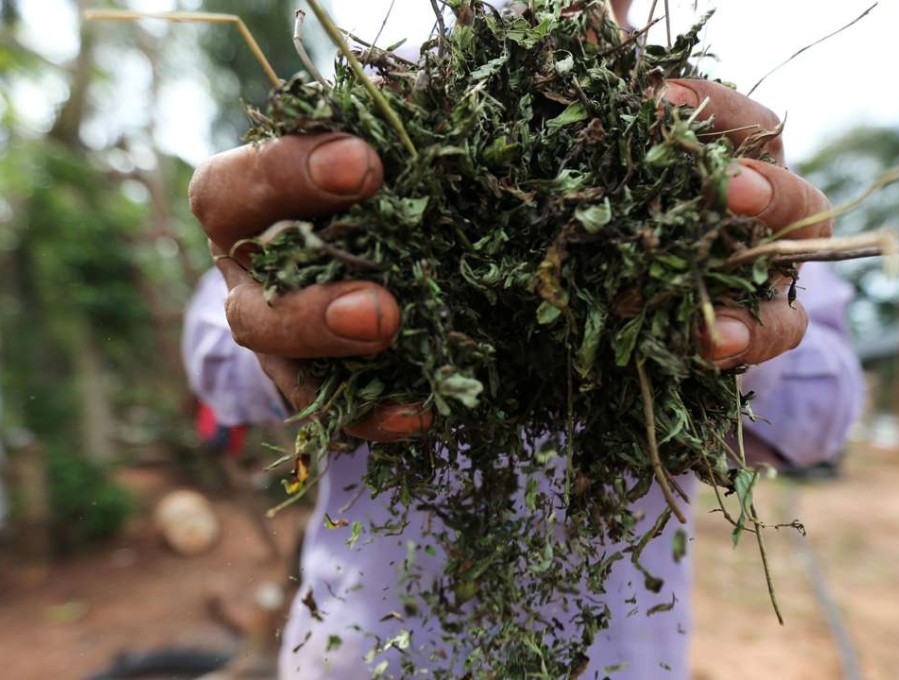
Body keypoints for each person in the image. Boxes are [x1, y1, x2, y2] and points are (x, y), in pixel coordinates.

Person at [182, 6, 864, 678]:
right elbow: (214, 342)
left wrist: (731, 325)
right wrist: (281, 320)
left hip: (618, 659)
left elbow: (824, 416)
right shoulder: (371, 116)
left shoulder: (718, 150)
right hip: (365, 655)